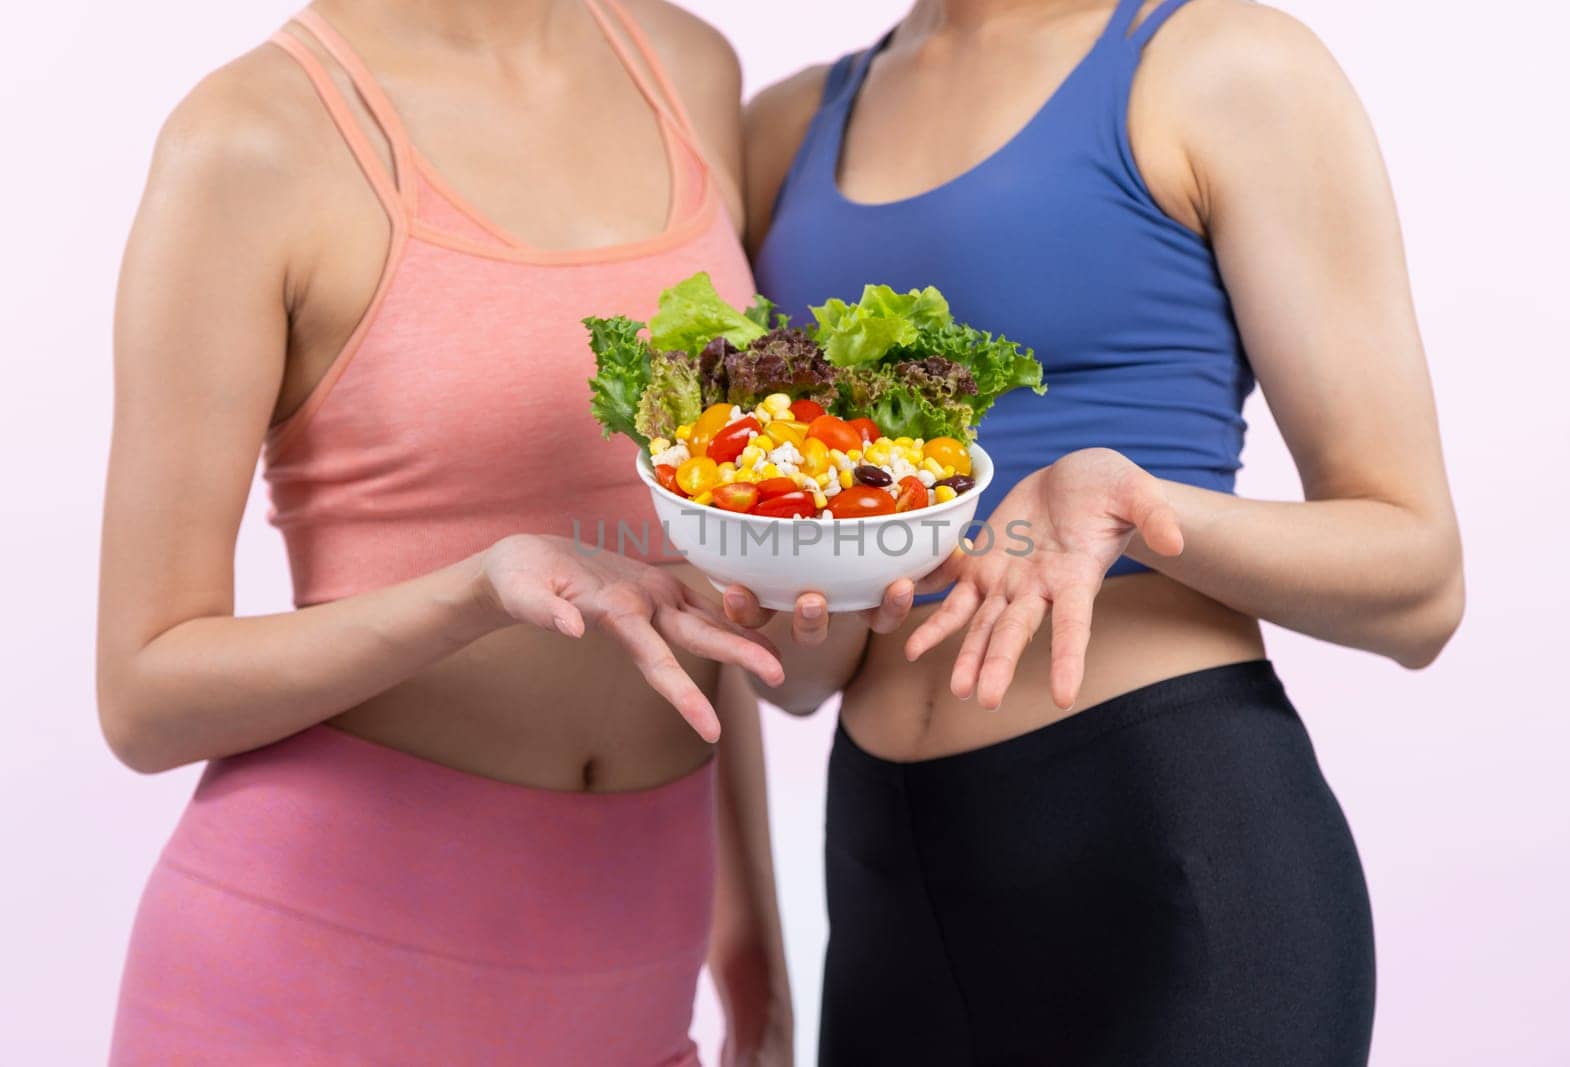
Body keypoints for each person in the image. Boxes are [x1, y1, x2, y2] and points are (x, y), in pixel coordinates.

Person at [728, 0, 1464, 1062]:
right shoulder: (785, 126)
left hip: (1167, 857)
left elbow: (1420, 585)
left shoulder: (1212, 64)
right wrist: (795, 581)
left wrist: (1131, 507)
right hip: (887, 874)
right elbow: (797, 683)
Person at [98, 1, 792, 1062]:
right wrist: (473, 590)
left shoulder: (686, 66)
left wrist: (757, 960)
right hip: (315, 978)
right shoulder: (252, 138)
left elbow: (705, 586)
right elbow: (144, 696)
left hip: (632, 986)